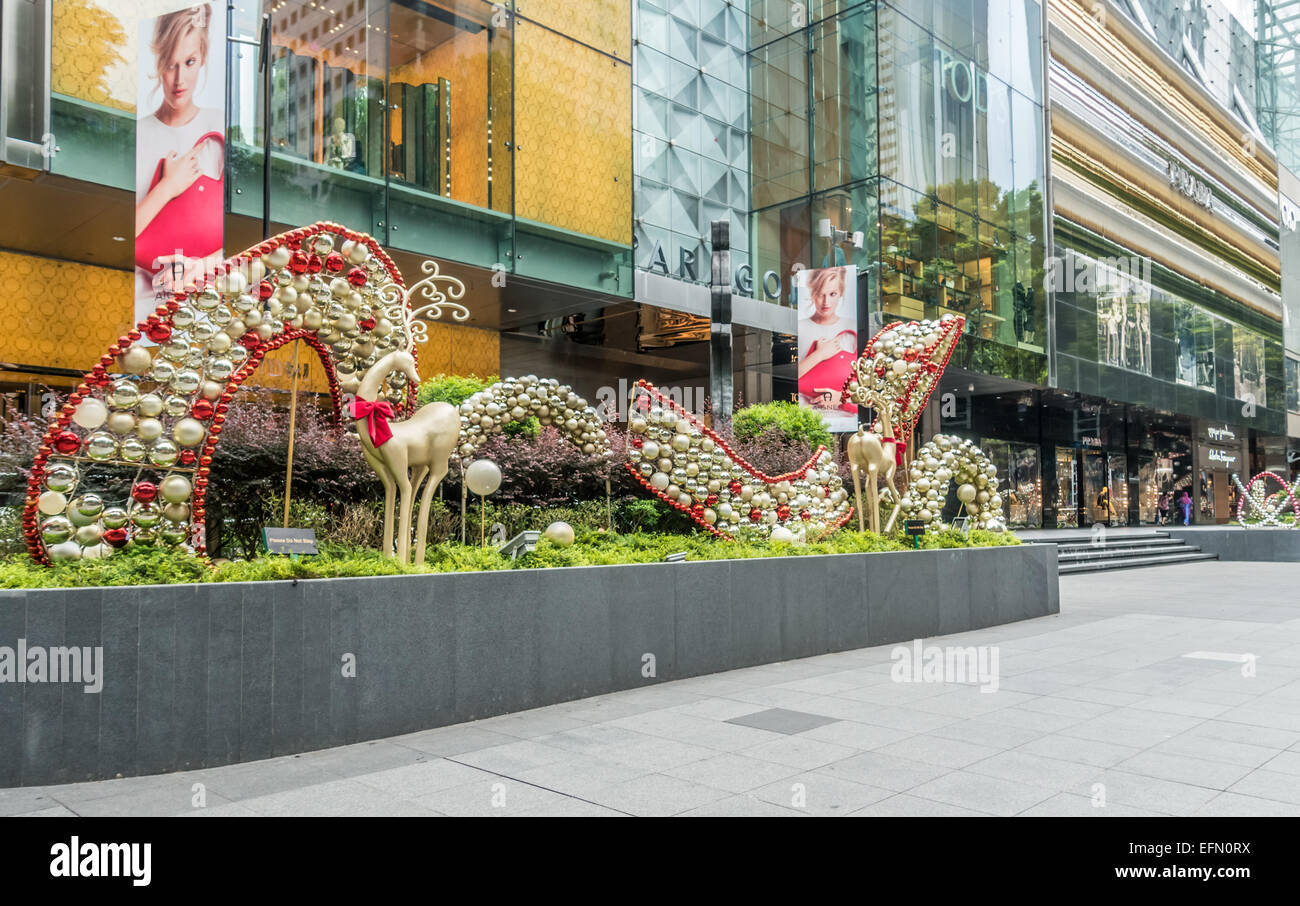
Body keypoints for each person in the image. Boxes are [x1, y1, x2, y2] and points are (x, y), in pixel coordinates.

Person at [134, 4, 224, 323]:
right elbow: (122, 233)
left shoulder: (221, 131)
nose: (179, 79)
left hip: (210, 318)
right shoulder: (139, 133)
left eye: (189, 62)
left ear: (203, 58)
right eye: (170, 64)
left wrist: (201, 266)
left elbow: (250, 247)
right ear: (158, 60)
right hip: (143, 315)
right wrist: (168, 187)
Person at [797, 266, 857, 416]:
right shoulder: (799, 327)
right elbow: (787, 378)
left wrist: (841, 398)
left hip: (847, 422)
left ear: (841, 293)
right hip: (806, 420)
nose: (826, 302)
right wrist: (820, 354)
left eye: (832, 294)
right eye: (820, 294)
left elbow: (869, 387)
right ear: (812, 293)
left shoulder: (853, 328)